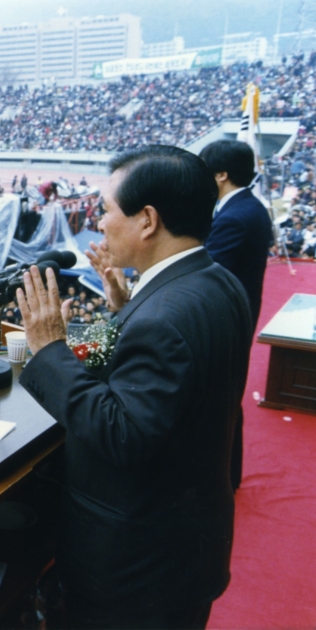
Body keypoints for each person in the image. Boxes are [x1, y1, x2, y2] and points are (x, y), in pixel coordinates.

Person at [15, 145, 252, 628]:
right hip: (184, 546)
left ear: (147, 220)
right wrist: (123, 311)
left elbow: (123, 433)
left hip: (138, 568)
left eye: (105, 211)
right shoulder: (216, 281)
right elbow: (159, 375)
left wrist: (49, 349)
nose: (99, 223)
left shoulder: (164, 314)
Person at [200, 139, 273, 492]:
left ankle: (224, 476)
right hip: (242, 312)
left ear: (222, 175)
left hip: (228, 319)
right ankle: (229, 473)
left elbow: (208, 271)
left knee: (222, 396)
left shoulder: (234, 217)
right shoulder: (250, 208)